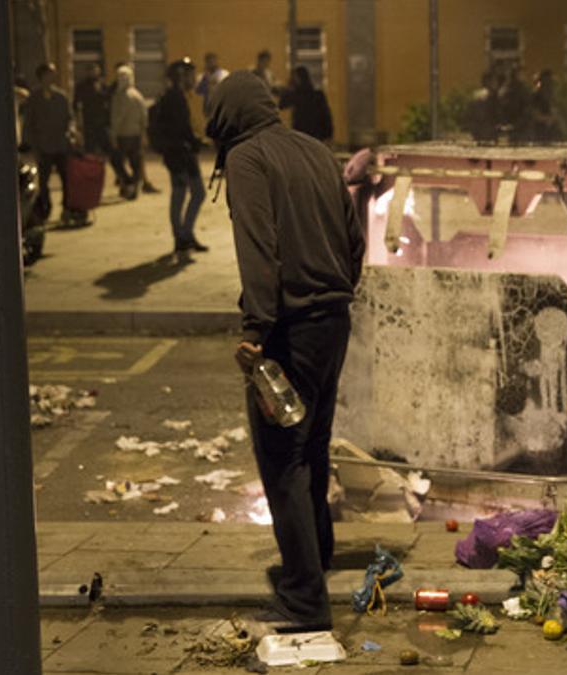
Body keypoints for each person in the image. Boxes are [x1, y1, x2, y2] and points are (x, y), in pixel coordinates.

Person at [205, 71, 364, 633]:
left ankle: (302, 597)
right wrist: (343, 285)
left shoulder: (248, 158)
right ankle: (314, 559)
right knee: (313, 445)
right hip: (332, 321)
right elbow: (354, 234)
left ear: (225, 117)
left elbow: (259, 245)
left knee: (282, 459)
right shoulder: (315, 150)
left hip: (288, 330)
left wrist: (256, 325)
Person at [151, 58, 207, 253]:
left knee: (186, 193)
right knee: (190, 193)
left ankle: (183, 236)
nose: (194, 78)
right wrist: (197, 141)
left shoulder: (174, 95)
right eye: (191, 74)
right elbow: (181, 128)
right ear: (182, 76)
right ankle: (183, 236)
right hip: (179, 154)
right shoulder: (175, 97)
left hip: (178, 153)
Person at [23, 62, 77, 224]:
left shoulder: (61, 97)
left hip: (61, 145)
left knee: (66, 179)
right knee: (43, 181)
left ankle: (67, 208)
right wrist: (30, 145)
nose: (51, 78)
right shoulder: (34, 98)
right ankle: (46, 208)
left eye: (53, 74)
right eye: (48, 74)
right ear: (41, 77)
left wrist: (72, 132)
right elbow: (28, 124)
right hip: (43, 146)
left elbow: (70, 118)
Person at [110, 65, 158, 196]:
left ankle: (128, 183)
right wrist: (143, 134)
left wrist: (113, 134)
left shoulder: (119, 96)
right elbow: (144, 116)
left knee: (117, 161)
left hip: (122, 134)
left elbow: (117, 117)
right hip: (136, 134)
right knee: (135, 163)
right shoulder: (138, 95)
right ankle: (134, 187)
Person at [278, 66, 333, 143]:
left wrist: (288, 87)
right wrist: (328, 133)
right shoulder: (318, 94)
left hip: (301, 133)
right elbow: (326, 115)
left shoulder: (296, 95)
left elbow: (281, 105)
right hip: (316, 133)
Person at [530, 69, 561, 142]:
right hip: (539, 129)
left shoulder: (550, 95)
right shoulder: (536, 96)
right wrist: (548, 119)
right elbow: (534, 114)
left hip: (550, 130)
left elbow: (553, 110)